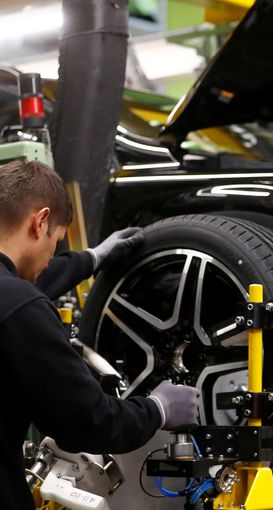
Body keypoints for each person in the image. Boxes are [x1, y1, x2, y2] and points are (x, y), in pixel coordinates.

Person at [0, 160, 200, 510]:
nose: (51, 258)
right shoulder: (22, 307)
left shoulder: (15, 302)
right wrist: (157, 409)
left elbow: (23, 287)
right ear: (40, 221)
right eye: (56, 242)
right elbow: (88, 423)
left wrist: (92, 258)